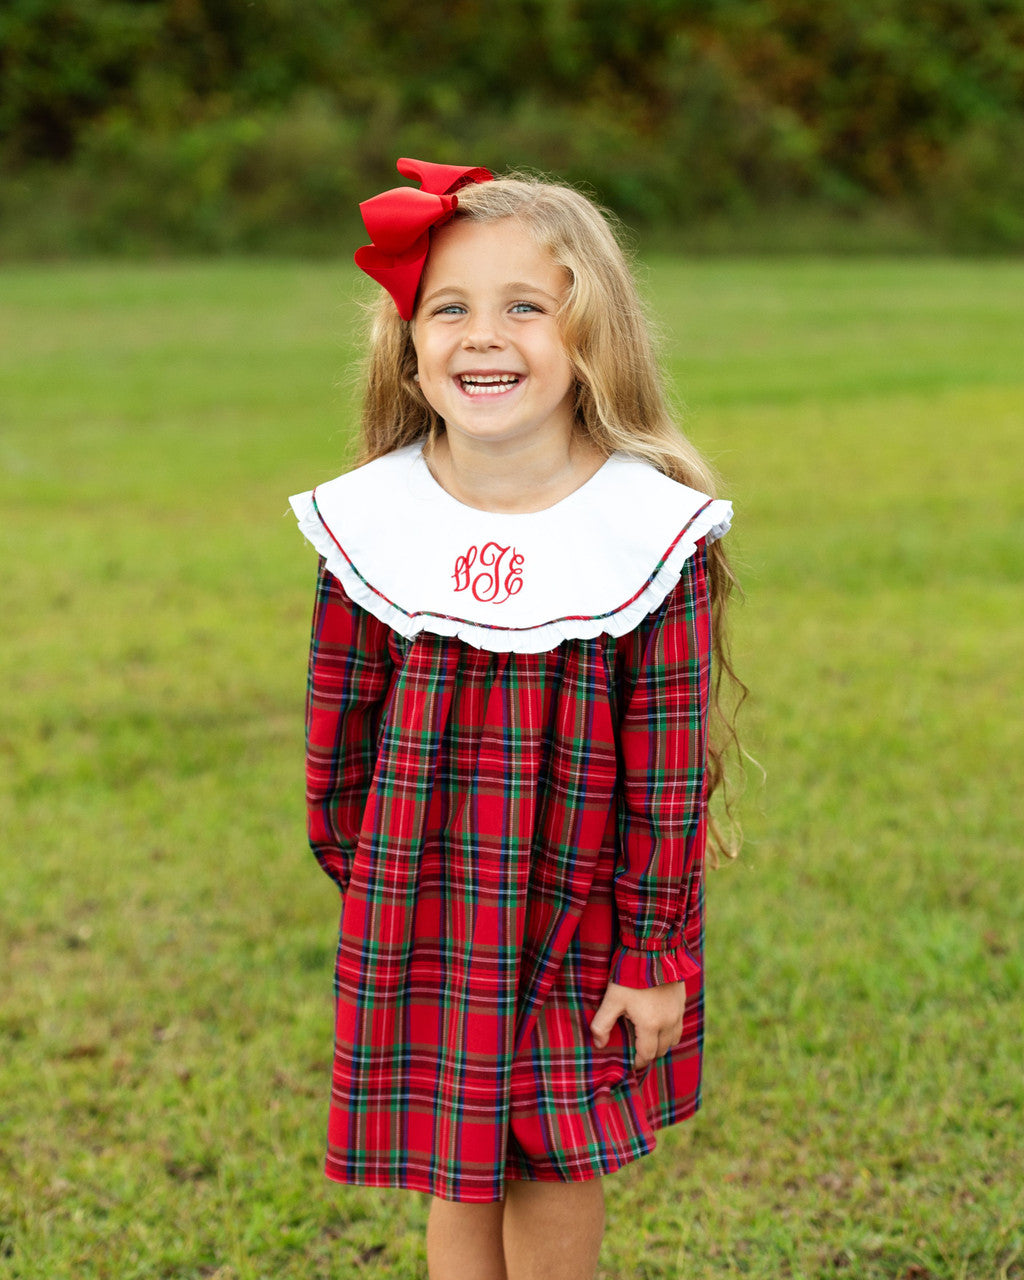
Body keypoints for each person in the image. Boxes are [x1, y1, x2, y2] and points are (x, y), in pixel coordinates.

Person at [289, 158, 741, 1280]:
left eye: (523, 307)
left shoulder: (647, 531)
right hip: (431, 912)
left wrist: (651, 948)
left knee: (551, 1162)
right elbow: (336, 736)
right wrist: (383, 881)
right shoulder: (373, 523)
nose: (481, 336)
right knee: (458, 1158)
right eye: (450, 307)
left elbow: (667, 772)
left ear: (592, 336)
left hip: (586, 917)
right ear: (408, 342)